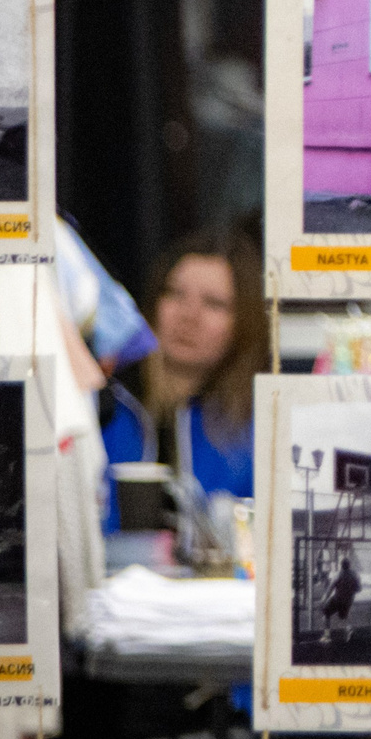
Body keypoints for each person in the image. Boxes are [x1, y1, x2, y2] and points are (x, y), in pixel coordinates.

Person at [100, 230, 268, 546]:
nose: (188, 316)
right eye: (175, 294)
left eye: (214, 303)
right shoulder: (105, 408)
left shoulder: (256, 430)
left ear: (243, 325)